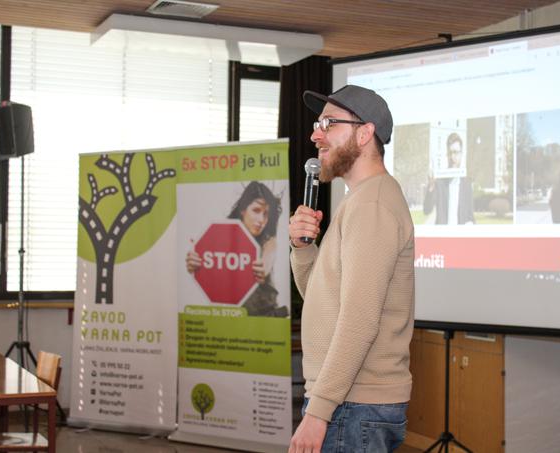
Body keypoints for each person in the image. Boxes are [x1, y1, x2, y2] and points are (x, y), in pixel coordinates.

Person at [288, 85, 415, 453]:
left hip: (352, 405)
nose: (316, 134)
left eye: (328, 123)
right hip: (346, 402)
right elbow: (321, 301)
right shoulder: (358, 200)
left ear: (364, 133)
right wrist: (302, 249)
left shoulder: (373, 204)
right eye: (317, 123)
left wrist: (319, 412)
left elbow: (359, 320)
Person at [186, 181, 288, 317]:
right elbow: (211, 264)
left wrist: (262, 268)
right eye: (256, 210)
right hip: (232, 320)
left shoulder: (268, 241)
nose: (261, 220)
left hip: (265, 321)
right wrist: (196, 261)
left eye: (266, 214)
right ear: (243, 210)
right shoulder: (224, 235)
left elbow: (268, 257)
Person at [423, 132, 475, 224]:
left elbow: (471, 217)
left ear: (461, 154)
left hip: (460, 236)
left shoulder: (467, 184)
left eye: (455, 152)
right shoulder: (439, 182)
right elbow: (427, 210)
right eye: (449, 153)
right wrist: (431, 186)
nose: (452, 157)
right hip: (442, 236)